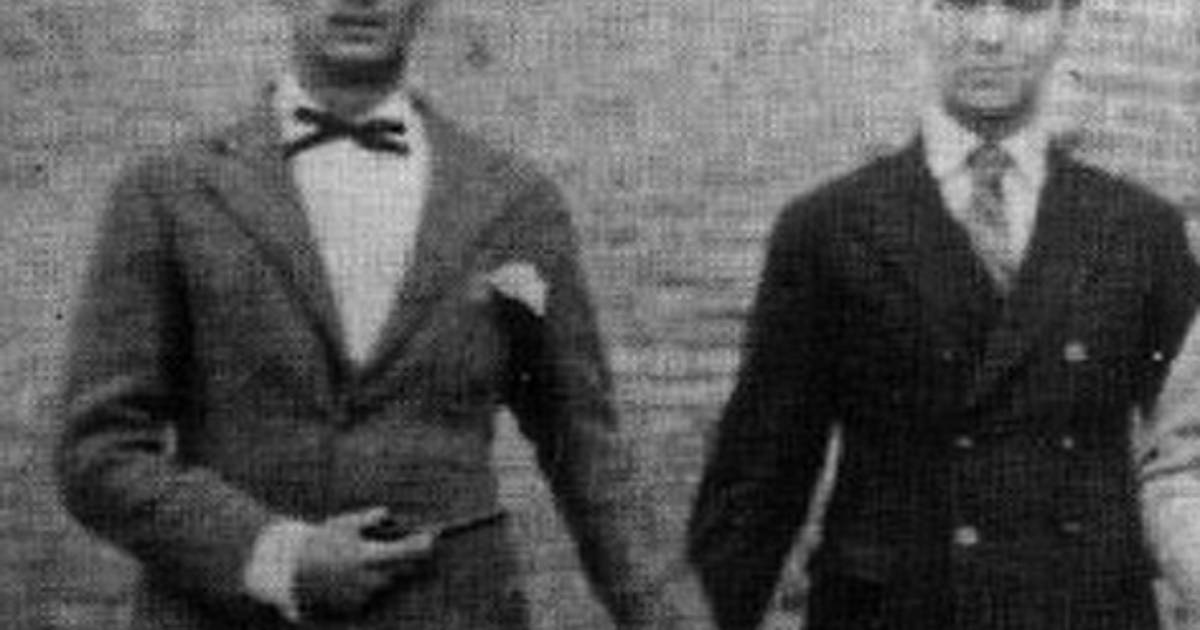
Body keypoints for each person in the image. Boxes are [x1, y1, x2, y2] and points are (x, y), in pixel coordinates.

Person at [54, 1, 703, 628]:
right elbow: (98, 451)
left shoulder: (512, 202)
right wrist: (279, 556)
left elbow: (588, 454)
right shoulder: (169, 194)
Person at [686, 1, 1200, 628]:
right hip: (896, 609)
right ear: (919, 12)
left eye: (1026, 6)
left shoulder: (1139, 230)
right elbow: (758, 485)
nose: (989, 35)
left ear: (1067, 20)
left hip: (1084, 610)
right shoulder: (828, 227)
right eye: (960, 3)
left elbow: (1188, 455)